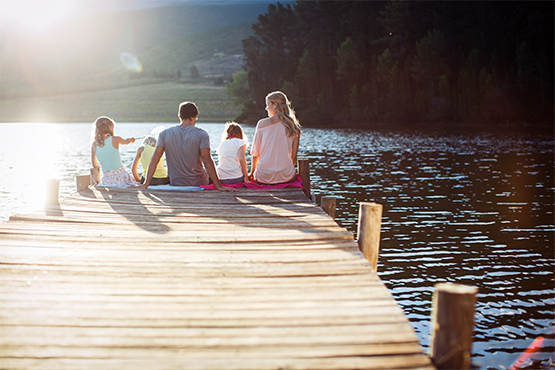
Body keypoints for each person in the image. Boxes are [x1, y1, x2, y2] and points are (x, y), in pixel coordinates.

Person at [137, 101, 231, 191]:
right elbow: (207, 160)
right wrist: (219, 186)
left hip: (175, 182)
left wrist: (145, 184)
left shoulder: (164, 134)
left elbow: (155, 158)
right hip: (198, 182)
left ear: (180, 116)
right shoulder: (202, 134)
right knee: (211, 171)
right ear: (196, 116)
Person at [249, 91, 301, 184]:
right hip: (286, 176)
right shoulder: (294, 127)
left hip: (264, 176)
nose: (266, 108)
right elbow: (294, 156)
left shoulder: (262, 124)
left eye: (268, 104)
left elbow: (255, 153)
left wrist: (252, 172)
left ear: (275, 105)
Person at [91, 116, 138, 187]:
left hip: (107, 180)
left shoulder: (94, 144)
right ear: (109, 127)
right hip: (121, 178)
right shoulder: (115, 139)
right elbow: (126, 141)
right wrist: (131, 140)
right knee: (134, 180)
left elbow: (94, 164)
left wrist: (107, 166)